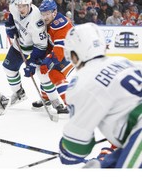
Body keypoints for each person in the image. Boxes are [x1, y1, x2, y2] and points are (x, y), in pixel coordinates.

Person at [59, 22, 142, 168]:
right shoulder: (122, 61)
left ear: (74, 55)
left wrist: (64, 148)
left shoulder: (82, 82)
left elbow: (75, 151)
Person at [2, 0, 61, 117]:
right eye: (19, 5)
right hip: (19, 45)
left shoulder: (37, 21)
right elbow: (12, 14)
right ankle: (19, 94)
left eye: (23, 6)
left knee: (42, 74)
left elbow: (41, 46)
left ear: (30, 4)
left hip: (34, 49)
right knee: (8, 68)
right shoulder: (14, 6)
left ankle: (56, 102)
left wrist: (32, 63)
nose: (20, 8)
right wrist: (10, 25)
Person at [32, 0, 74, 114]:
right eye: (43, 14)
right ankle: (46, 99)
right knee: (42, 69)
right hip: (61, 51)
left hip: (72, 53)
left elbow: (59, 52)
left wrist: (48, 60)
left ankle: (72, 105)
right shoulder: (48, 22)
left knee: (55, 74)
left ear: (54, 12)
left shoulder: (61, 25)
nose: (44, 17)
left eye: (47, 14)